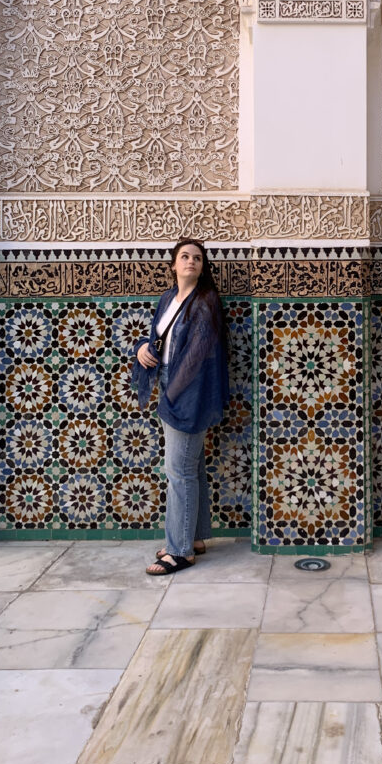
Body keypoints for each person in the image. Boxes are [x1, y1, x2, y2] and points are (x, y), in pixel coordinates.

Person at [131, 238, 229, 575]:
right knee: (193, 467)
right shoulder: (167, 299)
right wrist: (143, 347)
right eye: (184, 257)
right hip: (172, 383)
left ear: (203, 268)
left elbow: (198, 355)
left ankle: (179, 551)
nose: (191, 262)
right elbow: (158, 338)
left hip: (192, 390)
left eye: (197, 259)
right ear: (173, 264)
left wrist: (172, 392)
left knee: (178, 472)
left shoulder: (205, 302)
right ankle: (195, 538)